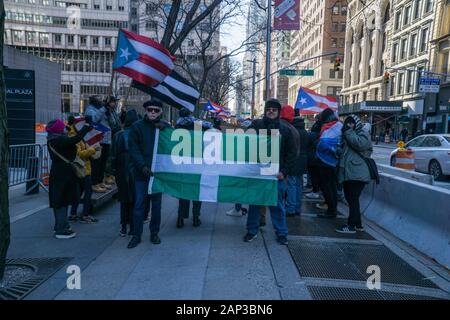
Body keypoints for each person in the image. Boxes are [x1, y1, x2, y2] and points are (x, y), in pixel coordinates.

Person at [243, 98, 297, 245]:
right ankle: (251, 230)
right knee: (254, 203)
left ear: (278, 112)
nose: (271, 111)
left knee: (277, 205)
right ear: (265, 111)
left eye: (274, 109)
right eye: (268, 109)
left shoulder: (285, 130)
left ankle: (281, 233)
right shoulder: (256, 125)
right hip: (257, 173)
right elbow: (244, 142)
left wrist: (284, 172)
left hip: (276, 175)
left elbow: (292, 154)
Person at [127, 99, 170, 248]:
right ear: (145, 110)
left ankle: (154, 233)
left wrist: (164, 128)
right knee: (139, 206)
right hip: (142, 174)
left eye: (156, 110)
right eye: (150, 110)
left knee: (156, 206)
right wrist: (142, 166)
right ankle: (136, 235)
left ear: (161, 112)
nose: (152, 112)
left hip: (157, 175)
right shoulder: (136, 127)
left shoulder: (165, 128)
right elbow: (133, 148)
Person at [46, 119, 92, 239]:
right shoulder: (59, 140)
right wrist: (86, 127)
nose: (64, 128)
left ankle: (59, 226)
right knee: (62, 200)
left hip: (58, 172)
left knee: (59, 200)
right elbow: (75, 139)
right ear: (58, 129)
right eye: (62, 127)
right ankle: (62, 229)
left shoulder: (52, 139)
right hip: (63, 174)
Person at [336, 115, 373, 233]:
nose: (349, 126)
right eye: (347, 123)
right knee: (352, 199)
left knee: (352, 199)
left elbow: (360, 144)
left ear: (356, 124)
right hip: (350, 172)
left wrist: (348, 132)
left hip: (358, 173)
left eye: (351, 123)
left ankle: (351, 226)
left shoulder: (363, 133)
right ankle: (358, 224)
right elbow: (347, 152)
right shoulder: (348, 135)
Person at [175, 108, 211, 228]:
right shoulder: (198, 124)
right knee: (196, 191)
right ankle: (196, 218)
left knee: (183, 191)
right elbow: (212, 128)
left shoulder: (177, 126)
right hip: (197, 162)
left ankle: (180, 218)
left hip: (183, 163)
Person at [67, 117, 99, 224]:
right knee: (87, 191)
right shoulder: (74, 136)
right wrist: (92, 150)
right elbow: (79, 153)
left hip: (82, 168)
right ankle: (85, 215)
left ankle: (73, 214)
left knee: (78, 192)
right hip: (81, 168)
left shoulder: (77, 134)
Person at [111, 109, 139, 237]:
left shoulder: (118, 135)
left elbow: (113, 157)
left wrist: (114, 170)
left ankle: (123, 227)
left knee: (124, 200)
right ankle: (133, 227)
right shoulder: (137, 135)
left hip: (121, 171)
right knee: (134, 200)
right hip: (134, 170)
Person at [315, 108, 342, 218]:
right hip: (333, 161)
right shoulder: (339, 126)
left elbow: (324, 143)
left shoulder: (330, 128)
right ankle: (332, 208)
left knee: (328, 186)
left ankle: (331, 210)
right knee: (331, 186)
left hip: (326, 162)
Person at [85, 95, 113, 193]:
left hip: (106, 140)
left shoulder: (102, 109)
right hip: (97, 140)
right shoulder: (90, 109)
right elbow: (95, 119)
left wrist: (109, 112)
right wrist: (104, 108)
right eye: (99, 99)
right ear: (94, 101)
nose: (101, 100)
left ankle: (100, 181)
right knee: (96, 163)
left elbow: (111, 123)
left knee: (102, 163)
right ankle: (94, 183)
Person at [280, 105, 301, 217]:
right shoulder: (294, 129)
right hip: (290, 165)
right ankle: (294, 207)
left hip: (282, 167)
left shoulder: (281, 127)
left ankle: (290, 208)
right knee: (295, 186)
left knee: (287, 188)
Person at [288, 116, 308, 216]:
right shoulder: (305, 133)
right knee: (299, 185)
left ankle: (291, 208)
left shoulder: (292, 132)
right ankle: (297, 208)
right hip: (303, 161)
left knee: (291, 184)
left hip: (294, 160)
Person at [305, 118, 322, 200]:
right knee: (317, 176)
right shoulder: (323, 134)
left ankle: (315, 191)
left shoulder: (311, 135)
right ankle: (316, 190)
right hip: (319, 158)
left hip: (311, 158)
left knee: (313, 176)